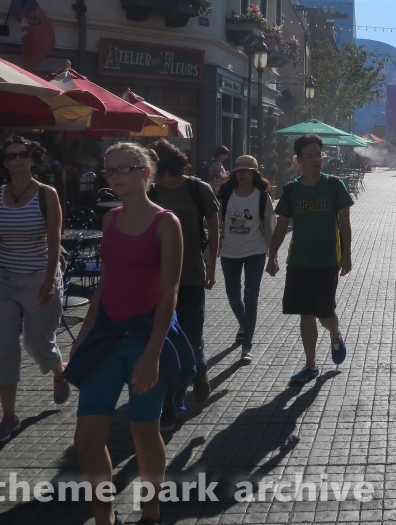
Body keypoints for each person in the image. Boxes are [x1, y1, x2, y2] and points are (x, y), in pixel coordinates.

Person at [66, 143, 190, 525]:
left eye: (125, 168)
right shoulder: (110, 220)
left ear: (146, 172)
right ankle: (105, 517)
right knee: (86, 437)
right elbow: (104, 285)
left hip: (144, 335)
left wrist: (153, 352)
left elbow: (170, 291)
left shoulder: (167, 222)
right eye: (109, 170)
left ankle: (150, 511)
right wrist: (84, 336)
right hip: (106, 335)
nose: (115, 175)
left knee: (144, 431)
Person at [0, 135, 67, 443]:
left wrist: (50, 279)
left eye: (23, 154)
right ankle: (9, 415)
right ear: (4, 162)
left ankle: (58, 369)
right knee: (1, 345)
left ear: (33, 159)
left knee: (38, 344)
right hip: (2, 280)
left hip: (39, 276)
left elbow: (54, 241)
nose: (17, 160)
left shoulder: (46, 194)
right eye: (11, 156)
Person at [266, 134, 354, 384]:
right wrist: (272, 256)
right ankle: (310, 364)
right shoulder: (292, 190)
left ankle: (335, 333)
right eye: (310, 156)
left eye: (319, 154)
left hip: (327, 261)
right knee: (306, 312)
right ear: (299, 160)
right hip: (299, 261)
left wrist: (346, 254)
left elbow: (345, 223)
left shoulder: (334, 185)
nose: (316, 160)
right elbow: (281, 225)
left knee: (325, 312)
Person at [147, 139, 220, 429]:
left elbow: (214, 228)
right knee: (164, 343)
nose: (154, 175)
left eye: (156, 170)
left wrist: (212, 265)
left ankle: (199, 370)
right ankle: (170, 406)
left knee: (190, 337)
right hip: (155, 280)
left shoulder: (197, 188)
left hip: (190, 276)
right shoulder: (149, 191)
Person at [217, 155, 276, 363]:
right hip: (229, 252)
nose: (242, 175)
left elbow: (270, 229)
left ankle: (247, 345)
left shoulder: (261, 197)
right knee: (233, 296)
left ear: (254, 174)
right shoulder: (225, 195)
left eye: (246, 171)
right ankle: (244, 323)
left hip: (255, 251)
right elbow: (216, 225)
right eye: (238, 171)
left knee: (251, 298)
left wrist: (272, 257)